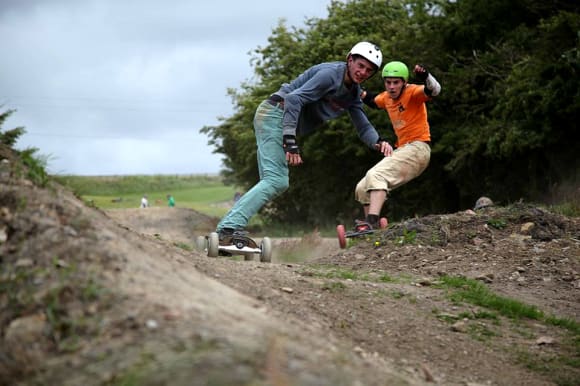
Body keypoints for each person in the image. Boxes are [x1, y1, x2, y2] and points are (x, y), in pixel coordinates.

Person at [216, 42, 390, 242]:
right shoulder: (330, 75)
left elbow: (363, 125)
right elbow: (293, 99)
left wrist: (378, 141)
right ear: (350, 59)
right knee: (276, 180)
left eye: (369, 70)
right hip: (275, 115)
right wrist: (289, 139)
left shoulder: (353, 92)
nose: (363, 72)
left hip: (277, 119)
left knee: (272, 180)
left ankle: (228, 224)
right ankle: (229, 228)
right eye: (360, 65)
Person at [354, 61, 441, 230]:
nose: (392, 87)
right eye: (388, 82)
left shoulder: (413, 92)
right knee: (362, 187)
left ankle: (371, 223)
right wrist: (353, 89)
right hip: (404, 150)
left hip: (418, 148)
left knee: (376, 175)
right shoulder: (386, 98)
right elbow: (371, 100)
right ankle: (372, 231)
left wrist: (425, 77)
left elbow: (434, 90)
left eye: (396, 82)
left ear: (404, 82)